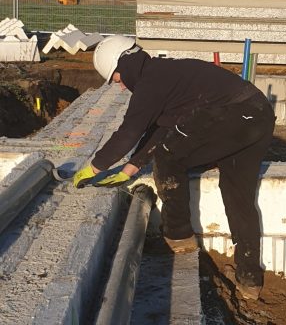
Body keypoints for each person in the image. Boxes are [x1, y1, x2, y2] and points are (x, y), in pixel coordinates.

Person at [73, 35, 275, 300]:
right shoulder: (165, 74)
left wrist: (95, 167)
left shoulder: (151, 82)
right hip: (257, 115)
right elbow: (163, 128)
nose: (120, 85)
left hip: (235, 114)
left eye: (117, 77)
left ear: (126, 64)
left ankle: (179, 235)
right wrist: (131, 168)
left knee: (169, 156)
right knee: (239, 196)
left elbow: (130, 131)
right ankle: (250, 280)